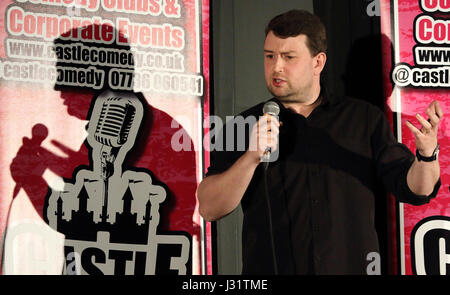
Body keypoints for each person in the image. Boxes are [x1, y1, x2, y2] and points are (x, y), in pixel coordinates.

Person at [197, 9, 442, 275]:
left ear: (318, 63)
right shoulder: (244, 125)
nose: (276, 67)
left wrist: (427, 155)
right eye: (269, 56)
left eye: (289, 57)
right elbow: (209, 208)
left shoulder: (362, 119)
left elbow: (417, 190)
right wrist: (251, 157)